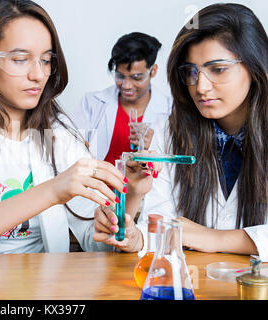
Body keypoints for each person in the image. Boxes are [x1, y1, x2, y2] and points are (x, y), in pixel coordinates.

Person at [0, 0, 128, 254]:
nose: (38, 74)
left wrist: (126, 222)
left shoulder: (58, 133)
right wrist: (52, 190)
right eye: (20, 59)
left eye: (46, 60)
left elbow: (94, 237)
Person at [93, 3, 268, 261]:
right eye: (190, 72)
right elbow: (164, 224)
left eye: (218, 69)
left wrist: (212, 238)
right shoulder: (169, 131)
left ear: (255, 66)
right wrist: (136, 237)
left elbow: (186, 232)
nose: (201, 87)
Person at [72, 32, 172, 165]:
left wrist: (153, 146)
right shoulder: (92, 103)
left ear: (153, 71)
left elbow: (176, 169)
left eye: (136, 77)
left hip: (145, 186)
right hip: (97, 185)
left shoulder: (171, 110)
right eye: (120, 76)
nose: (126, 85)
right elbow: (69, 151)